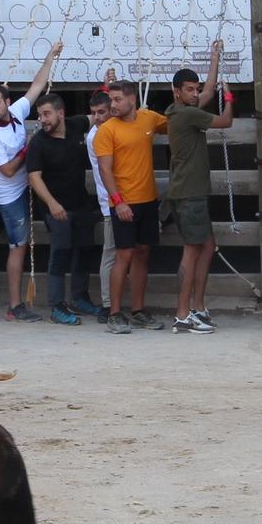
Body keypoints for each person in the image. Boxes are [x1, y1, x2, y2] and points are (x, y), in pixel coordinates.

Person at [0, 42, 62, 323]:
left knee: (22, 246)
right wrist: (29, 146)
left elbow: (37, 85)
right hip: (9, 195)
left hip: (22, 189)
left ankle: (18, 303)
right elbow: (9, 170)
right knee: (18, 246)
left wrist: (50, 56)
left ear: (7, 102)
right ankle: (14, 305)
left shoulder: (16, 114)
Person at [166, 43, 236, 334]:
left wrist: (214, 59)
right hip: (189, 195)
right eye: (189, 90)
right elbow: (226, 121)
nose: (196, 94)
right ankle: (183, 315)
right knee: (192, 252)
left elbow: (206, 94)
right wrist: (229, 96)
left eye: (196, 89)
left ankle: (198, 307)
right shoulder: (187, 115)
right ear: (176, 92)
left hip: (192, 192)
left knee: (205, 248)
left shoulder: (180, 110)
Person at [93, 75, 166, 334]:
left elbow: (175, 124)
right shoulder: (107, 130)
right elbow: (105, 170)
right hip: (123, 203)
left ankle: (137, 310)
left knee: (143, 254)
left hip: (148, 199)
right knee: (122, 256)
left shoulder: (149, 118)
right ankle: (114, 313)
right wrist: (118, 202)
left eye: (117, 99)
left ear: (132, 99)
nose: (112, 104)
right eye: (111, 99)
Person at [27, 90, 101, 326]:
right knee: (60, 254)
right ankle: (56, 306)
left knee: (85, 250)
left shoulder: (76, 124)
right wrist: (51, 203)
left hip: (80, 203)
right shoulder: (38, 142)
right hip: (55, 208)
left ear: (61, 113)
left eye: (47, 114)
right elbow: (34, 177)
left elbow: (97, 116)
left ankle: (80, 298)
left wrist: (107, 89)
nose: (43, 120)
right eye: (40, 115)